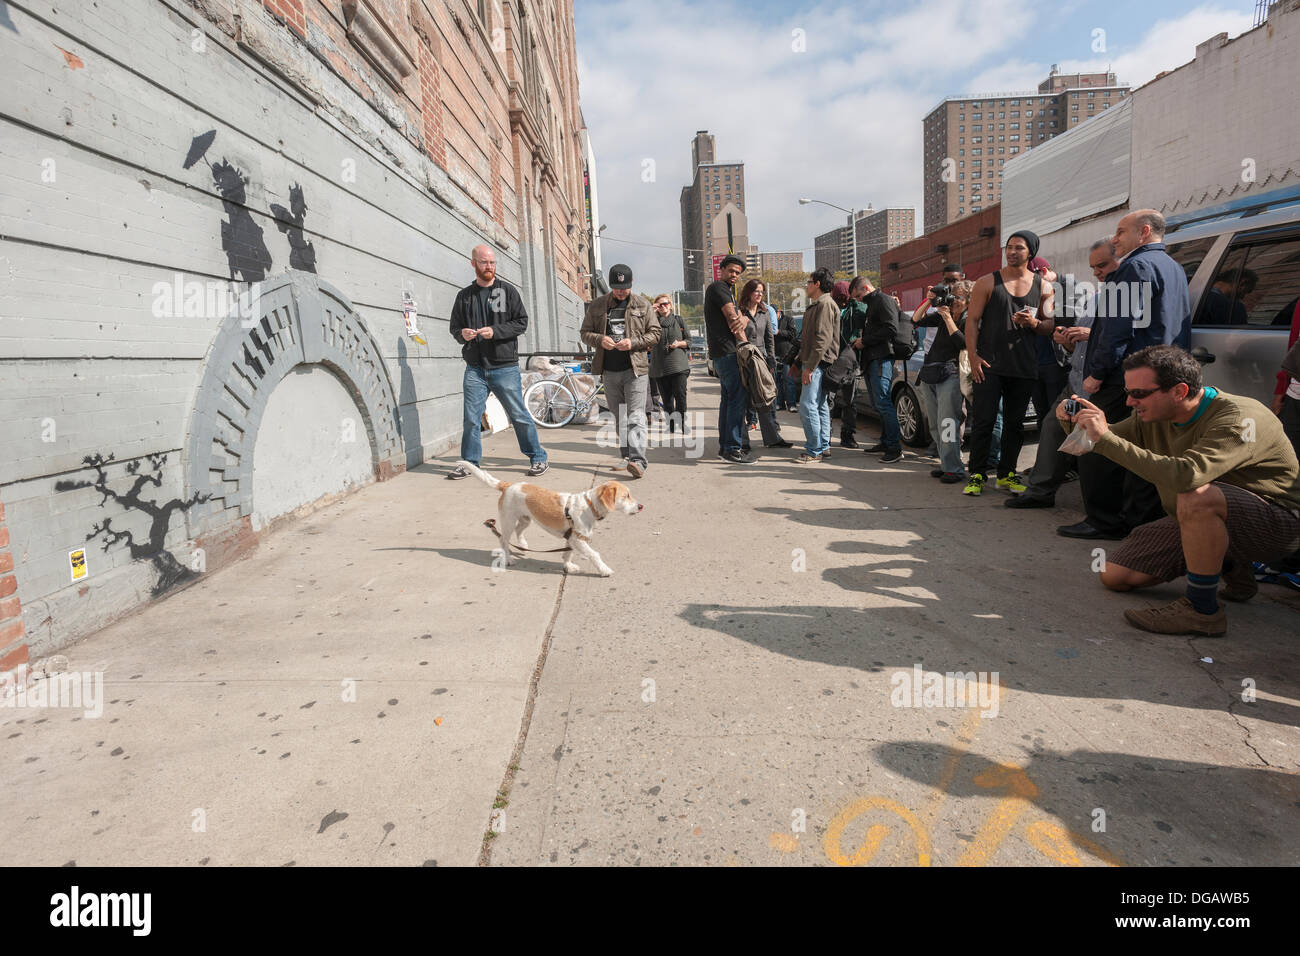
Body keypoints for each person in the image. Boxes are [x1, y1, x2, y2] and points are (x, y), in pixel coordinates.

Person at [1061, 345, 1300, 636]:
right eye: (1128, 392)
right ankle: (1230, 563)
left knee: (1196, 494)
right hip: (1208, 518)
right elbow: (1101, 443)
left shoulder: (1239, 418)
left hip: (1278, 525)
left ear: (1179, 391)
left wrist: (1106, 439)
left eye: (1139, 393)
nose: (1129, 402)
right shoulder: (1151, 416)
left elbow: (1188, 476)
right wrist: (1077, 422)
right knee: (1114, 576)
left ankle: (1202, 610)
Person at [1062, 209, 1190, 539]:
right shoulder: (1174, 268)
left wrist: (1097, 373)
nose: (1115, 239)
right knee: (1147, 451)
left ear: (1144, 232)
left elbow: (1118, 329)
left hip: (1126, 378)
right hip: (1163, 376)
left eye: (1120, 232)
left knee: (1096, 442)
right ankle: (1141, 525)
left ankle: (1103, 521)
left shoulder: (1135, 266)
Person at [1008, 238, 1117, 509]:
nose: (1095, 272)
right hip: (1078, 383)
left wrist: (1087, 335)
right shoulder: (1096, 296)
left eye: (1101, 265)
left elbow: (1123, 338)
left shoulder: (1122, 295)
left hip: (1099, 383)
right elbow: (1080, 337)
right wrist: (1068, 339)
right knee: (1053, 425)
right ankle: (1040, 491)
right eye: (1093, 267)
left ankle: (1100, 510)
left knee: (1092, 439)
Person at [962, 230, 1056, 496]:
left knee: (1015, 425)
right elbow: (972, 321)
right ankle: (978, 474)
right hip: (989, 364)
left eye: (1019, 248)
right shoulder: (986, 282)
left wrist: (1034, 323)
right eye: (1009, 247)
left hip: (1024, 365)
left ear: (1031, 253)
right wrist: (973, 356)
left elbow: (1050, 325)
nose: (1012, 252)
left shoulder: (1044, 287)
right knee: (984, 421)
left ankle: (1006, 474)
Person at [447, 244, 548, 480]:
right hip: (475, 368)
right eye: (484, 262)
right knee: (471, 418)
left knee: (519, 415)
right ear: (473, 263)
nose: (489, 267)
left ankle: (538, 458)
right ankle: (470, 463)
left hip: (504, 366)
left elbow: (521, 322)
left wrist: (496, 331)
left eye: (492, 262)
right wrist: (462, 334)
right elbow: (454, 327)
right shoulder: (464, 297)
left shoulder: (507, 291)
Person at [579, 263, 661, 479]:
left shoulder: (643, 305)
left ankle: (638, 461)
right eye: (616, 287)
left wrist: (633, 342)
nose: (620, 291)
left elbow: (655, 334)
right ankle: (627, 456)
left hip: (635, 371)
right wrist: (599, 339)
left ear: (631, 284)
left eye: (623, 288)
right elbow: (585, 333)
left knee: (635, 415)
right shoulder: (597, 306)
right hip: (609, 371)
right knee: (620, 417)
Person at [914, 279, 975, 482]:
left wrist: (948, 318)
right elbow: (916, 319)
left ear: (969, 300)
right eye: (952, 295)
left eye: (958, 296)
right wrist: (929, 300)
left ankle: (955, 469)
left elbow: (963, 344)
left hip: (951, 375)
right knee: (934, 425)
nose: (953, 299)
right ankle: (946, 462)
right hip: (931, 374)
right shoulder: (942, 313)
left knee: (948, 423)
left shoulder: (969, 319)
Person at [705, 255, 753, 463]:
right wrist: (746, 316)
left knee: (728, 400)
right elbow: (734, 321)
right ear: (722, 269)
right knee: (736, 400)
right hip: (728, 351)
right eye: (731, 271)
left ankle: (726, 447)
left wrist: (741, 316)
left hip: (722, 353)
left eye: (737, 273)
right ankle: (733, 448)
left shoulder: (726, 290)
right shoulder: (719, 288)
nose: (734, 276)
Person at [737, 279, 792, 450]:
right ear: (748, 292)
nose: (760, 294)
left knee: (766, 400)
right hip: (744, 360)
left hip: (762, 360)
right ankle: (743, 442)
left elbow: (770, 338)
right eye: (756, 291)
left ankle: (772, 438)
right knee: (742, 401)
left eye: (762, 291)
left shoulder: (766, 312)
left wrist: (771, 360)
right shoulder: (740, 312)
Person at [856, 277, 905, 463]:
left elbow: (892, 328)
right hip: (871, 359)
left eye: (859, 296)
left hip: (881, 358)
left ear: (867, 288)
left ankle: (894, 447)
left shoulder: (883, 300)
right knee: (878, 404)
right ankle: (886, 442)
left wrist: (865, 341)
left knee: (884, 403)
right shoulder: (873, 303)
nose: (859, 300)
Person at [795, 267, 840, 463]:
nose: (806, 285)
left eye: (809, 282)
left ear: (817, 284)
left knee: (807, 405)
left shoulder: (825, 304)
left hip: (818, 364)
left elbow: (822, 338)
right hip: (817, 363)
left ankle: (814, 450)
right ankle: (823, 446)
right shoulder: (820, 304)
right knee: (819, 405)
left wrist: (809, 367)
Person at [648, 294, 690, 434]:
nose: (663, 306)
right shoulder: (652, 322)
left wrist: (679, 343)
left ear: (670, 305)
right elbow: (644, 336)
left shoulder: (678, 320)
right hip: (659, 367)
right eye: (659, 305)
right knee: (666, 400)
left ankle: (683, 424)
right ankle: (671, 425)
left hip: (678, 366)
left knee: (680, 396)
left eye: (665, 304)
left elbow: (689, 341)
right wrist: (650, 312)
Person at [835, 278, 868, 448]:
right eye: (838, 299)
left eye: (844, 298)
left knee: (850, 401)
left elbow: (862, 317)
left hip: (850, 361)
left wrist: (854, 303)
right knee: (828, 400)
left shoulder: (855, 308)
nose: (841, 302)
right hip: (833, 361)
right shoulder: (831, 309)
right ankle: (824, 436)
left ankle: (847, 435)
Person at [774, 308, 800, 411]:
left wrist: (779, 332)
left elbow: (793, 334)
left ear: (779, 312)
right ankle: (779, 404)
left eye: (773, 313)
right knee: (777, 382)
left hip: (787, 356)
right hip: (775, 355)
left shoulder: (788, 319)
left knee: (789, 381)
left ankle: (791, 404)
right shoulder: (770, 321)